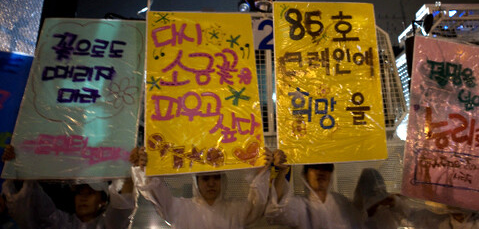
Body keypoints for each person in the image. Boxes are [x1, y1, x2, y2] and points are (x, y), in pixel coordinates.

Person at [129, 145, 272, 229]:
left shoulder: (236, 210)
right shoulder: (180, 209)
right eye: (205, 178)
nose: (211, 183)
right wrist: (146, 167)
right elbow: (157, 191)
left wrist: (261, 171)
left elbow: (258, 204)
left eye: (216, 178)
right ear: (196, 182)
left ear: (224, 180)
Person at [1, 144, 137, 229]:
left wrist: (129, 164)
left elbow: (122, 204)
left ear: (102, 201)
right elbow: (31, 201)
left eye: (89, 193)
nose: (83, 198)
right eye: (79, 193)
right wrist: (16, 164)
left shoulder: (110, 224)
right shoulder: (59, 222)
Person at [264, 149, 363, 229]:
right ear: (305, 174)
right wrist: (282, 171)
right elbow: (275, 212)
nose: (321, 172)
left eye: (326, 167)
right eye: (315, 166)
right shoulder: (299, 205)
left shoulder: (342, 203)